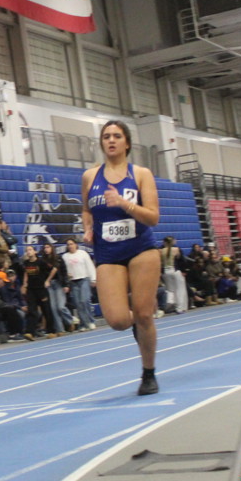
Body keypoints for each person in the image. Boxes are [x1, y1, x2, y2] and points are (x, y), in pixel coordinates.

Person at [82, 120, 161, 396]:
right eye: (106, 136)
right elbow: (87, 209)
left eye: (117, 136)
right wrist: (87, 228)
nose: (111, 140)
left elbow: (153, 217)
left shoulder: (141, 174)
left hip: (141, 249)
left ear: (127, 143)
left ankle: (148, 373)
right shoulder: (90, 177)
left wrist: (124, 203)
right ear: (101, 143)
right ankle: (139, 323)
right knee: (117, 320)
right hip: (108, 253)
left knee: (144, 313)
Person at [61, 239, 97, 330]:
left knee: (85, 300)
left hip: (84, 279)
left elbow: (90, 266)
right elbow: (64, 270)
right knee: (78, 303)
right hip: (73, 281)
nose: (70, 246)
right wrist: (67, 278)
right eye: (68, 244)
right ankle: (83, 324)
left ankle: (91, 321)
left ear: (76, 245)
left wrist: (93, 279)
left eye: (71, 244)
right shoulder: (65, 257)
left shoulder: (83, 253)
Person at [21, 245, 54, 337]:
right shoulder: (26, 263)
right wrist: (24, 284)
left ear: (35, 251)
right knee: (32, 310)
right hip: (31, 290)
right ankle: (30, 332)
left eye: (30, 250)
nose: (28, 252)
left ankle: (51, 331)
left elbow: (52, 269)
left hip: (41, 289)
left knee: (46, 310)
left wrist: (48, 280)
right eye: (27, 250)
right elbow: (26, 273)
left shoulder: (41, 262)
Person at [42, 243, 74, 333]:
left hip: (59, 283)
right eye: (45, 247)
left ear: (52, 248)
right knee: (53, 308)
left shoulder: (58, 258)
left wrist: (66, 284)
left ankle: (70, 321)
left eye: (48, 247)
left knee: (60, 306)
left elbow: (63, 272)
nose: (46, 249)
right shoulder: (43, 261)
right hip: (49, 286)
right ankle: (60, 329)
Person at [159, 237, 187, 314]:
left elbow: (160, 263)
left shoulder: (160, 251)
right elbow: (181, 260)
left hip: (165, 272)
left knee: (170, 290)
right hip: (175, 271)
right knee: (179, 290)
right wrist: (184, 270)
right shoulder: (176, 249)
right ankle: (179, 308)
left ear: (164, 243)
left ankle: (170, 303)